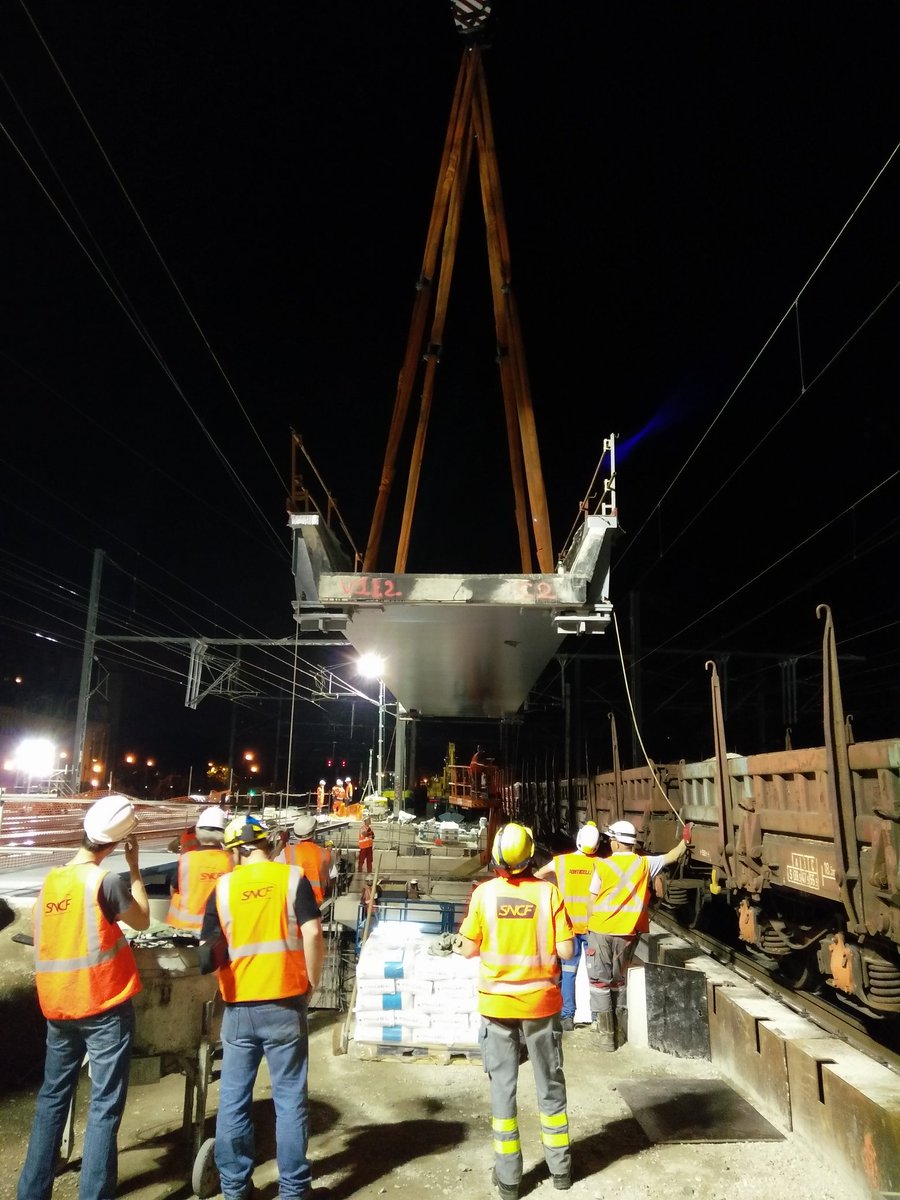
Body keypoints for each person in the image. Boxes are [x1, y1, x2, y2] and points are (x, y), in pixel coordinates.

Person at [17, 794, 151, 1200]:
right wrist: (134, 869)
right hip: (104, 1006)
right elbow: (142, 921)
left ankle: (31, 1192)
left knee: (52, 1099)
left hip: (59, 1007)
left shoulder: (52, 881)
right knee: (104, 1106)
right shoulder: (104, 881)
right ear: (117, 842)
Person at [199, 813, 324, 1200]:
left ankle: (235, 1189)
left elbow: (207, 952)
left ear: (235, 851)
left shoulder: (222, 889)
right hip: (286, 1001)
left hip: (239, 1008)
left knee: (233, 1101)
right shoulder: (292, 879)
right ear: (267, 845)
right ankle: (293, 1191)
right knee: (290, 1100)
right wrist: (312, 983)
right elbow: (312, 933)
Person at [457, 822, 575, 1200]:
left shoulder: (484, 894)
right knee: (549, 1084)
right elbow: (568, 950)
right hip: (541, 1004)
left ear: (497, 858)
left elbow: (467, 948)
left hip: (497, 1006)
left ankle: (509, 1179)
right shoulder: (548, 893)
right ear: (530, 857)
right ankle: (560, 1170)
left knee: (503, 1089)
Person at [586, 818, 689, 1051]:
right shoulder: (644, 864)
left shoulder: (602, 866)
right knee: (619, 981)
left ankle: (605, 1037)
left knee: (599, 982)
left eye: (611, 839)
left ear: (616, 842)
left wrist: (588, 927)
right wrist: (686, 839)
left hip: (600, 931)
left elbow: (591, 902)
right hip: (627, 934)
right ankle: (620, 1032)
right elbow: (673, 856)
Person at [535, 820, 601, 1030]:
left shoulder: (561, 862)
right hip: (592, 928)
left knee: (569, 972)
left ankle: (567, 1017)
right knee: (595, 975)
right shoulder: (601, 864)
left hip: (568, 928)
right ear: (597, 844)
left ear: (578, 839)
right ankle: (598, 1018)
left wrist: (551, 891)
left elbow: (537, 876)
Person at [166, 805, 233, 932]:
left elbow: (173, 888)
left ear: (198, 832)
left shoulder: (186, 859)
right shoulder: (231, 860)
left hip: (185, 927)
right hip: (218, 928)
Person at [279, 813, 334, 906]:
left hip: (291, 901)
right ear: (313, 832)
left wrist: (281, 842)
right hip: (315, 904)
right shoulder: (325, 854)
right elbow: (331, 879)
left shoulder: (287, 852)